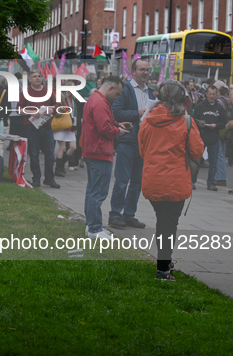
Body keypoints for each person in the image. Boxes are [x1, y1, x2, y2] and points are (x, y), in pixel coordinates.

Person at [138, 80, 204, 281]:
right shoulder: (186, 121)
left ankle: (164, 261)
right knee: (169, 224)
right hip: (175, 180)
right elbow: (197, 150)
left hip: (153, 179)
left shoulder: (148, 120)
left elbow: (142, 150)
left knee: (162, 221)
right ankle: (163, 268)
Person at [82, 76, 131, 240]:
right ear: (110, 88)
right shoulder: (101, 102)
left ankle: (91, 225)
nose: (117, 98)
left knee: (92, 191)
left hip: (93, 150)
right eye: (117, 94)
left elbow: (103, 122)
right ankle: (94, 228)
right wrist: (118, 131)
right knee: (98, 192)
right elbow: (104, 127)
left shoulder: (95, 98)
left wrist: (117, 124)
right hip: (100, 151)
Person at [108, 59, 155, 229]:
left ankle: (129, 215)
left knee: (137, 182)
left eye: (147, 70)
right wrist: (137, 113)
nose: (145, 73)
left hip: (143, 143)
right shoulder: (126, 90)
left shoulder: (150, 92)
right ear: (133, 71)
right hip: (127, 140)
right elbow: (116, 112)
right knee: (122, 180)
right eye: (142, 69)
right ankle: (115, 215)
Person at [18, 69, 61, 189]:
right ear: (30, 79)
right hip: (31, 127)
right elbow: (19, 109)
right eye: (34, 76)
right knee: (34, 154)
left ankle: (49, 179)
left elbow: (57, 104)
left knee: (50, 154)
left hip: (46, 127)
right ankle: (36, 179)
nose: (37, 78)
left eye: (39, 76)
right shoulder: (25, 92)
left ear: (42, 78)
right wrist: (31, 111)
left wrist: (52, 109)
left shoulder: (48, 91)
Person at [192, 84, 227, 191]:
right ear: (206, 94)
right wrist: (200, 124)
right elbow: (194, 120)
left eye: (214, 94)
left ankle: (211, 183)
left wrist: (216, 126)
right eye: (210, 94)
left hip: (214, 137)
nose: (212, 96)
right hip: (201, 137)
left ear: (216, 95)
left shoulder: (220, 108)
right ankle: (192, 182)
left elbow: (224, 122)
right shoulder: (200, 106)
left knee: (213, 162)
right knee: (196, 161)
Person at [53, 85, 77, 176]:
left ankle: (61, 164)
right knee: (62, 147)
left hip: (70, 125)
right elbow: (55, 110)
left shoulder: (72, 99)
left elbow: (74, 113)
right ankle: (58, 169)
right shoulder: (61, 96)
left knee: (73, 147)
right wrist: (60, 109)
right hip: (62, 125)